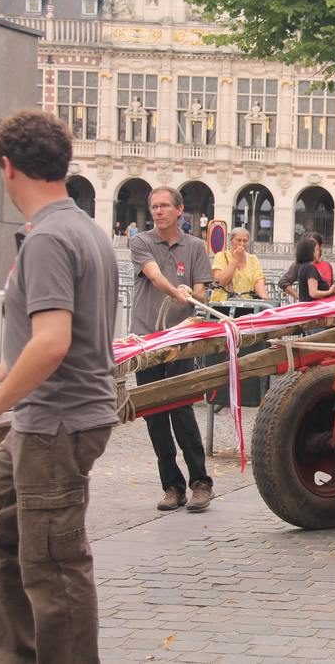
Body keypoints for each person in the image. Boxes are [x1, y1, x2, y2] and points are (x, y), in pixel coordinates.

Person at [0, 109, 118, 662]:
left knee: (54, 567)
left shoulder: (50, 239)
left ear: (6, 168)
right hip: (54, 418)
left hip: (55, 424)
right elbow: (50, 336)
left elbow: (51, 343)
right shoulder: (83, 230)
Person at [128, 186, 215, 512]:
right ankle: (172, 486)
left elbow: (200, 293)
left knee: (181, 408)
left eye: (165, 206)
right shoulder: (141, 241)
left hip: (180, 341)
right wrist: (173, 290)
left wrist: (194, 295)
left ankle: (200, 483)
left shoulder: (195, 247)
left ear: (180, 210)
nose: (158, 211)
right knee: (154, 414)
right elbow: (153, 275)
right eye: (154, 206)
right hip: (146, 340)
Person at [210, 226, 268, 301]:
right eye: (238, 240)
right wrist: (236, 258)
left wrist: (263, 296)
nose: (242, 244)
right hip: (222, 303)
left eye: (245, 241)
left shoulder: (253, 259)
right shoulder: (221, 256)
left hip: (246, 304)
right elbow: (221, 282)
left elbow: (258, 280)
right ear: (231, 241)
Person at [279, 231, 334, 301]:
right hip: (314, 306)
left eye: (314, 245)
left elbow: (329, 285)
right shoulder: (304, 266)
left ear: (320, 247)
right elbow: (283, 282)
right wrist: (298, 297)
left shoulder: (327, 265)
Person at [295, 236, 335, 302]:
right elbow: (313, 293)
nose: (319, 253)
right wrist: (330, 292)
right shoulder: (310, 268)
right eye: (316, 250)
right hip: (313, 308)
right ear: (311, 252)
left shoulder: (303, 267)